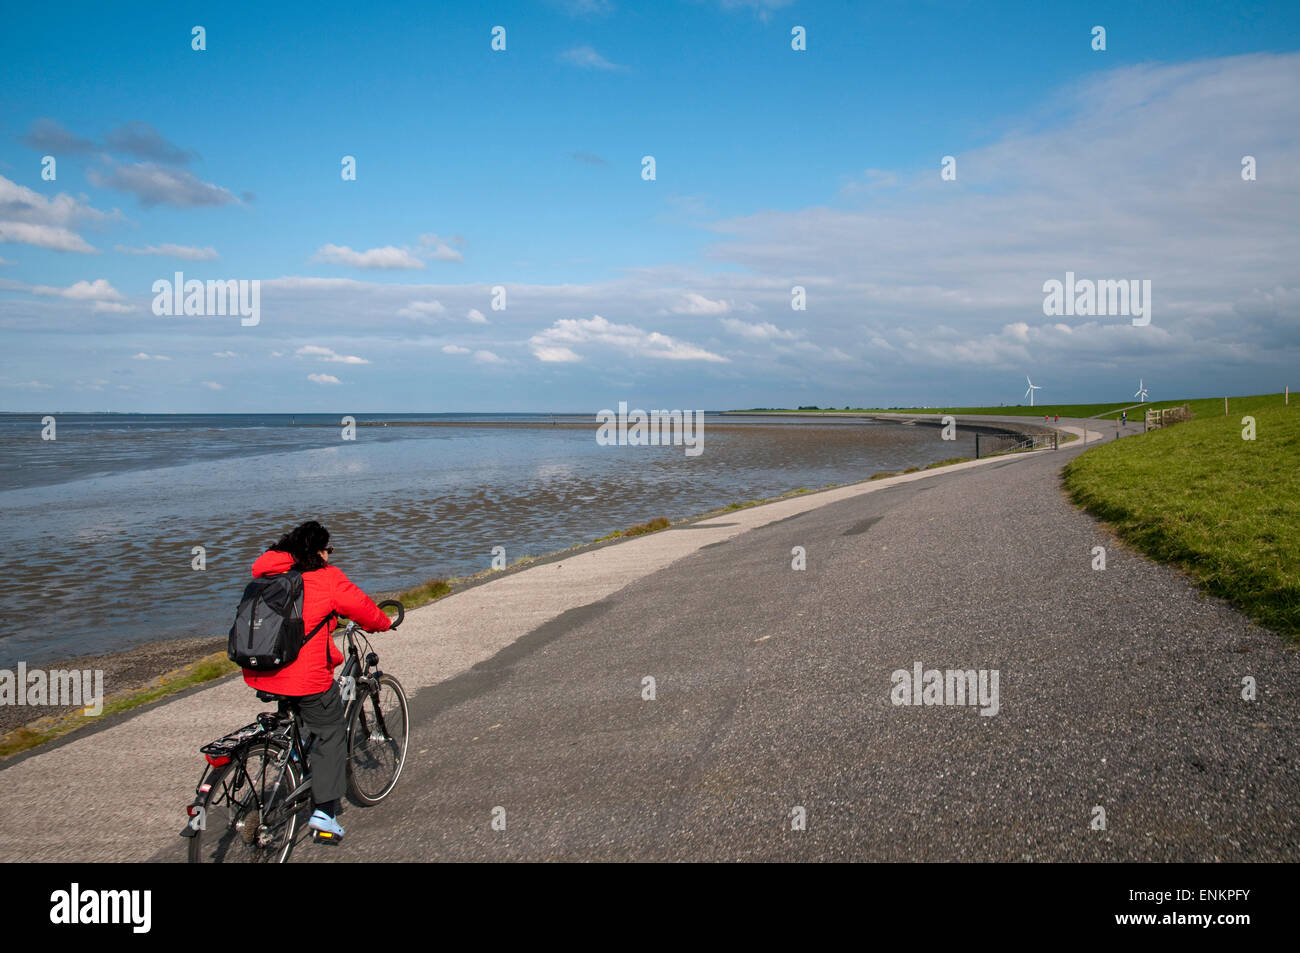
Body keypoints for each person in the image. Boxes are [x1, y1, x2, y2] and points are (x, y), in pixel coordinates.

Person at [242, 520, 393, 841]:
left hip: (261, 672)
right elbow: (364, 610)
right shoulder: (326, 578)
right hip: (304, 678)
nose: (330, 555)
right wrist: (383, 623)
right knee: (331, 731)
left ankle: (292, 755)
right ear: (320, 551)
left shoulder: (269, 575)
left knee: (298, 710)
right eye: (328, 550)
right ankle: (324, 814)